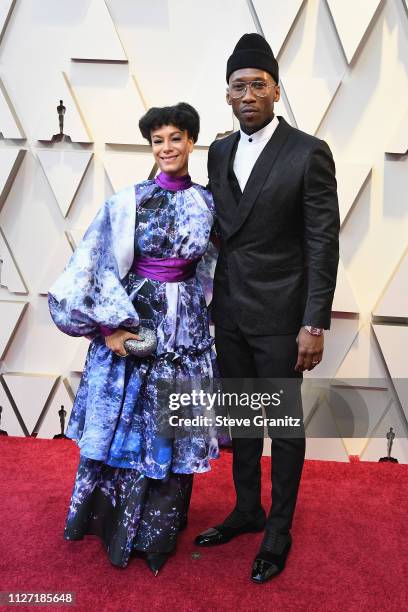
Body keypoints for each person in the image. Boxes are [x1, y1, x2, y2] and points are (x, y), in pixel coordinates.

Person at [48, 102, 219, 575]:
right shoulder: (130, 201)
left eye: (176, 138)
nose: (167, 147)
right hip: (136, 322)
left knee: (171, 424)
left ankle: (158, 532)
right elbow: (93, 261)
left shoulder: (208, 203)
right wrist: (108, 329)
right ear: (151, 146)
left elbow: (212, 267)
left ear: (191, 142)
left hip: (184, 329)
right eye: (158, 140)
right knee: (129, 422)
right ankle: (114, 524)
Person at [194, 33, 340, 584]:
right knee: (242, 420)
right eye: (239, 86)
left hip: (283, 317)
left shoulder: (308, 152)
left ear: (276, 90)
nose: (249, 93)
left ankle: (278, 528)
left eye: (258, 84)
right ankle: (248, 509)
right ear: (227, 96)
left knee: (281, 424)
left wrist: (314, 321)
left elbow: (323, 242)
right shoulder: (219, 151)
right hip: (228, 312)